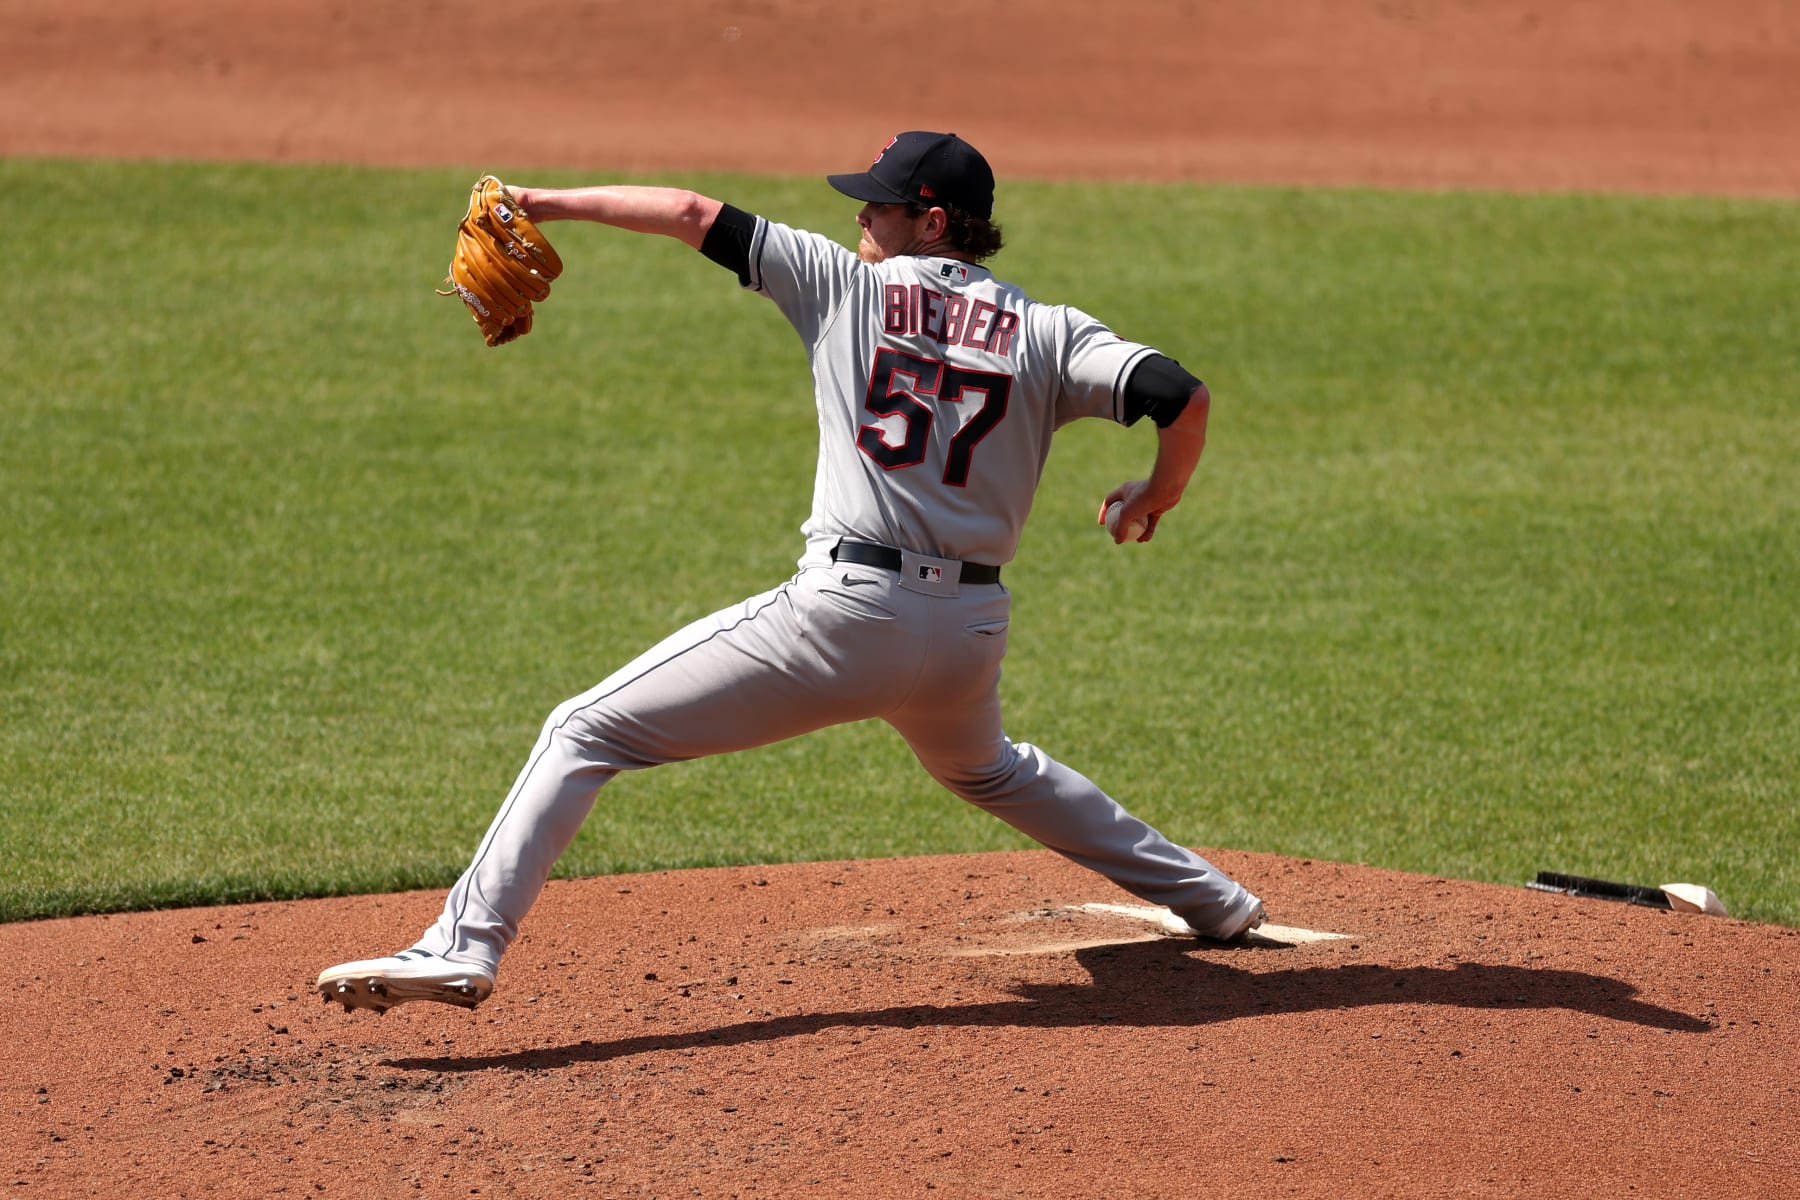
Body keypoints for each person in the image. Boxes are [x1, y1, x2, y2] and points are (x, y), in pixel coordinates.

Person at [317, 131, 1264, 1013]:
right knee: (991, 768)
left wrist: (539, 201)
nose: (861, 218)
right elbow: (1181, 394)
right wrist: (1153, 496)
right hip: (970, 633)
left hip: (846, 617)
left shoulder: (843, 287)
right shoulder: (1049, 330)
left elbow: (693, 213)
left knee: (583, 730)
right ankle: (1213, 900)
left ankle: (462, 944)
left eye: (878, 207)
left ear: (931, 223)